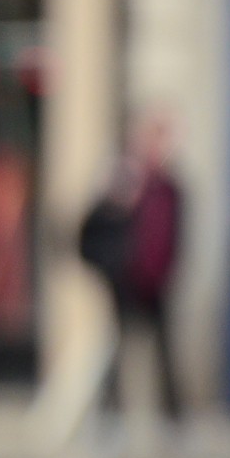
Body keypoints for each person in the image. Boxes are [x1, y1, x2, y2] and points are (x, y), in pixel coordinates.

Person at [80, 110, 182, 422]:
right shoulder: (120, 184)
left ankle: (172, 413)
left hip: (156, 279)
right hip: (125, 278)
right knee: (117, 344)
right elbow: (90, 231)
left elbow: (174, 233)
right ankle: (111, 410)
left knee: (163, 348)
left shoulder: (169, 187)